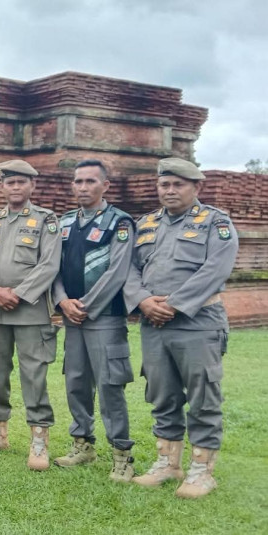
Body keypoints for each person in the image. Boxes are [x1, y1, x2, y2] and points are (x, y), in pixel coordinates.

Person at [123, 157, 238, 498]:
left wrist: (172, 305)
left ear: (196, 187)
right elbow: (128, 270)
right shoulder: (146, 224)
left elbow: (216, 269)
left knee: (203, 395)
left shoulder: (214, 223)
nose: (170, 190)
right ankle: (167, 463)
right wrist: (143, 301)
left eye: (178, 184)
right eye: (164, 184)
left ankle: (202, 470)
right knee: (162, 393)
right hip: (154, 324)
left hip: (198, 322)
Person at [0, 159, 62, 471]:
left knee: (33, 377)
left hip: (31, 312)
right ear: (2, 186)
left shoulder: (46, 220)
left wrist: (19, 293)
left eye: (21, 182)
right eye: (10, 182)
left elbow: (49, 264)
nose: (15, 187)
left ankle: (39, 439)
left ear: (31, 185)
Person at [51, 159, 136, 481]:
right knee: (75, 382)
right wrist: (62, 301)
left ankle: (122, 454)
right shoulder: (66, 222)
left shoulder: (120, 222)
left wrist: (84, 305)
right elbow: (53, 268)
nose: (83, 187)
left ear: (105, 186)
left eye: (90, 181)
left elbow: (117, 271)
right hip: (72, 318)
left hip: (105, 318)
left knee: (110, 385)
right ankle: (82, 443)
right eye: (78, 181)